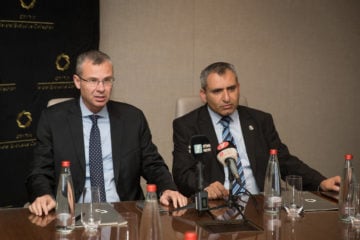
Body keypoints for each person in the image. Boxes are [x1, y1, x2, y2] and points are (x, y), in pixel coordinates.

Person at [26, 50, 187, 216]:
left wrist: (167, 188)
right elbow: (39, 170)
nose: (101, 88)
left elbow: (153, 164)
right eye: (93, 81)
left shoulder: (132, 118)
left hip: (125, 212)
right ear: (77, 81)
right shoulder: (53, 119)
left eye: (107, 80)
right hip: (73, 214)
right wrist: (42, 194)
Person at [172, 62, 340, 200]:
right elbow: (182, 173)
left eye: (231, 89)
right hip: (218, 205)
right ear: (203, 95)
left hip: (260, 203)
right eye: (217, 91)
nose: (226, 98)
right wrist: (205, 187)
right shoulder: (187, 125)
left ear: (238, 87)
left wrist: (321, 182)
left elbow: (284, 161)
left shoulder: (260, 120)